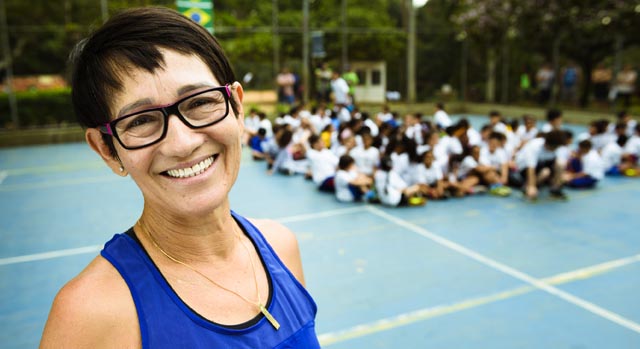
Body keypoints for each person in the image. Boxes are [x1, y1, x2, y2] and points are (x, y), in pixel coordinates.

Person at [40, 7, 320, 348]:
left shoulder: (281, 246)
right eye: (141, 121)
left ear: (237, 108)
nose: (183, 143)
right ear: (106, 149)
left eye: (200, 101)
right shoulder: (91, 313)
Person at [515, 130, 568, 200]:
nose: (556, 149)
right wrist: (531, 186)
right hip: (524, 168)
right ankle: (528, 186)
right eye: (555, 147)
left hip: (542, 163)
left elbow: (559, 163)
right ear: (548, 144)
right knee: (545, 172)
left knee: (560, 165)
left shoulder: (557, 147)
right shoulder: (535, 146)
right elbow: (530, 168)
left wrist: (560, 177)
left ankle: (555, 188)